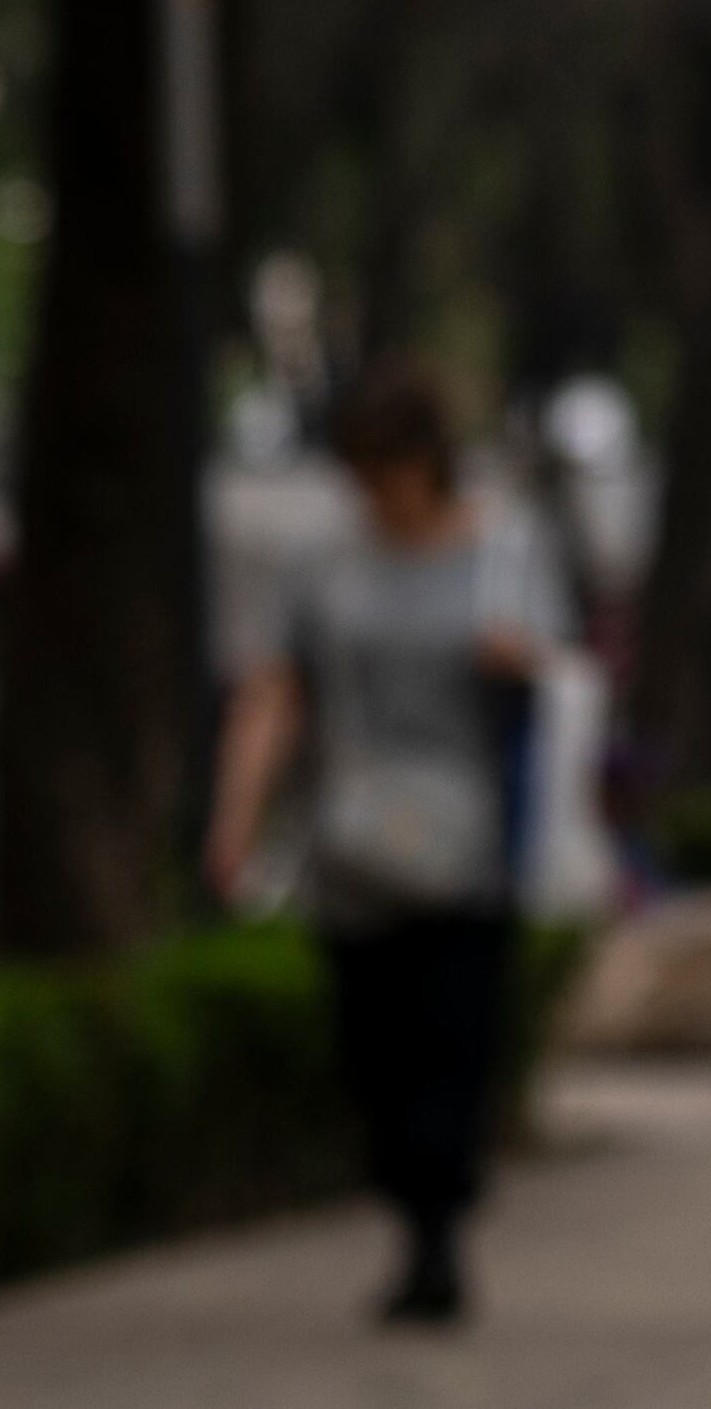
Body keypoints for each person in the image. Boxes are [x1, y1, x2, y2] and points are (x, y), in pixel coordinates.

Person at [206, 358, 571, 1328]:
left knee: (452, 1043)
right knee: (372, 1051)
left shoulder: (504, 548)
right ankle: (412, 1203)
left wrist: (517, 662)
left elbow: (558, 670)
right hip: (355, 841)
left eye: (388, 466)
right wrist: (234, 816)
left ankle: (436, 1228)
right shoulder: (320, 564)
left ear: (428, 460)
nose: (374, 489)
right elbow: (273, 690)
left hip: (470, 842)